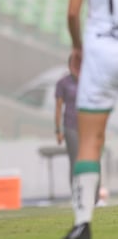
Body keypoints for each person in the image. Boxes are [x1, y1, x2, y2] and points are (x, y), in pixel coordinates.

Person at [64, 0, 118, 239]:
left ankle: (82, 223)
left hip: (100, 51)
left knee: (90, 141)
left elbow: (73, 12)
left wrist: (77, 46)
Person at [55, 56, 78, 185]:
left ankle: (94, 196)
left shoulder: (87, 81)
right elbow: (58, 107)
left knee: (89, 159)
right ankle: (76, 193)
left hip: (86, 125)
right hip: (70, 125)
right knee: (75, 160)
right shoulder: (63, 83)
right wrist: (58, 130)